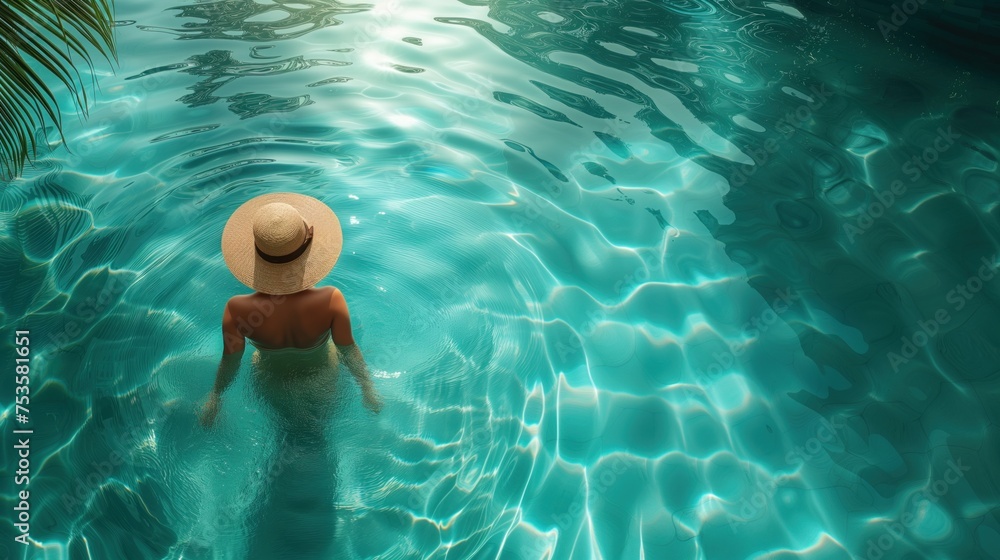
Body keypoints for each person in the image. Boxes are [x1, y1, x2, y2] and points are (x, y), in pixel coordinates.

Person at [199, 192, 383, 429]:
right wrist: (367, 389)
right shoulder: (330, 300)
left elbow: (231, 360)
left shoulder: (237, 310)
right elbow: (348, 350)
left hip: (272, 384)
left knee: (285, 435)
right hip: (324, 377)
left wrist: (215, 397)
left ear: (256, 254)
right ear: (309, 247)